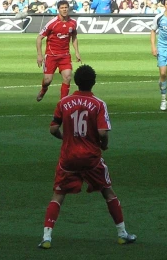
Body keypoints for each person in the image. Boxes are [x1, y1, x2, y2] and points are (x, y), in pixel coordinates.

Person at [38, 64, 136, 249]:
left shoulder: (63, 102)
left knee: (58, 195)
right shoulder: (99, 104)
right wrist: (104, 145)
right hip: (91, 158)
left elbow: (53, 129)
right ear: (94, 83)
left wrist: (65, 137)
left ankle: (47, 237)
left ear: (76, 82)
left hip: (68, 158)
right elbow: (102, 132)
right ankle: (122, 234)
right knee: (108, 192)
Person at [36, 0, 81, 102]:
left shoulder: (73, 22)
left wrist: (77, 52)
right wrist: (39, 55)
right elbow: (39, 38)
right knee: (47, 80)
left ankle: (62, 103)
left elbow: (74, 36)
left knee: (68, 77)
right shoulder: (52, 23)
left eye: (66, 7)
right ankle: (43, 90)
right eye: (62, 8)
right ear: (58, 9)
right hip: (51, 56)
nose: (64, 9)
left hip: (65, 56)